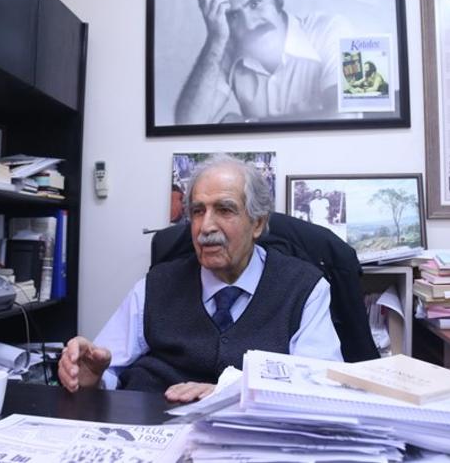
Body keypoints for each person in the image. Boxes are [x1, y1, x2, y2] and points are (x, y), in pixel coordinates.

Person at [58, 154, 342, 402]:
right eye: (197, 211)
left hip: (250, 433)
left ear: (257, 223)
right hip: (154, 424)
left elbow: (319, 385)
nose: (205, 227)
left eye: (224, 210)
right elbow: (106, 366)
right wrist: (91, 379)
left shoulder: (304, 287)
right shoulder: (157, 284)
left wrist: (232, 391)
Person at [174, 0, 350, 125]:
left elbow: (348, 115)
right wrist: (215, 38)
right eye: (234, 16)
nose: (249, 25)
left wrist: (250, 125)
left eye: (255, 4)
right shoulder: (228, 48)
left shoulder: (335, 30)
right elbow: (188, 123)